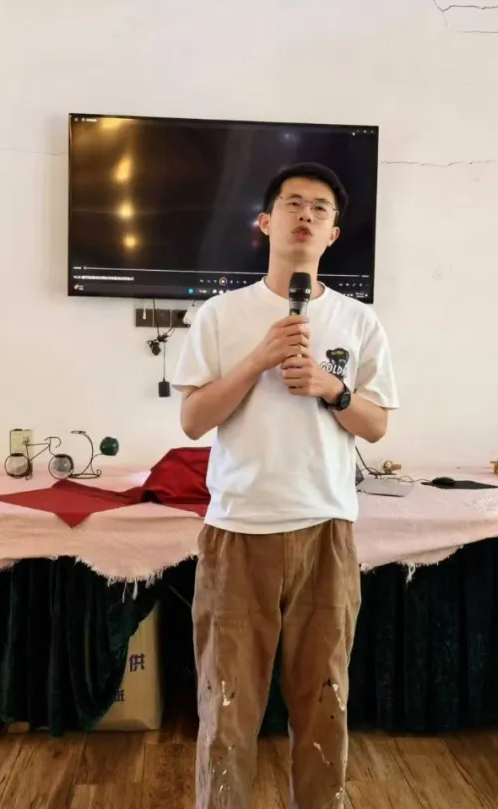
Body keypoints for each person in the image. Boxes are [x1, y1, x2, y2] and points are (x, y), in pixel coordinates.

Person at [172, 162, 399, 808]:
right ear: (266, 222)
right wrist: (257, 360)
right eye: (293, 203)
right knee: (227, 709)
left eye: (320, 209)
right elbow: (193, 420)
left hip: (326, 531)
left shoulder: (359, 322)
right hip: (238, 532)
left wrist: (333, 389)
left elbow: (377, 425)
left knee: (324, 706)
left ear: (333, 233)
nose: (306, 215)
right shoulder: (222, 314)